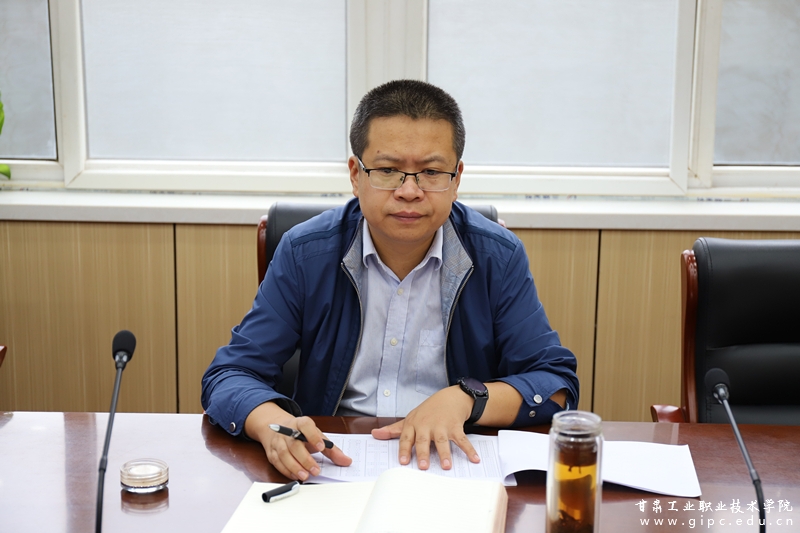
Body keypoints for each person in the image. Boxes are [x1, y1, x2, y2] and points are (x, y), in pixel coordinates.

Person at [201, 79, 579, 482]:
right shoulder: (305, 253)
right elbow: (230, 375)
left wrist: (466, 398)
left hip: (451, 465)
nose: (410, 191)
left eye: (431, 172)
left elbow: (555, 384)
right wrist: (271, 424)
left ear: (456, 178)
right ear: (355, 174)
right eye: (387, 170)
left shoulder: (497, 257)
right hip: (330, 466)